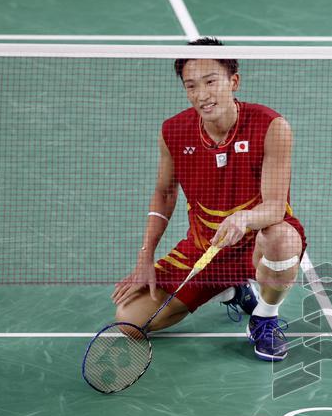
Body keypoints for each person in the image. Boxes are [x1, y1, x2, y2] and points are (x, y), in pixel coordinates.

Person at [111, 37, 306, 361]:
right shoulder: (174, 131)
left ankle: (264, 317)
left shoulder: (271, 126)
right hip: (206, 246)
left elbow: (274, 207)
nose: (201, 94)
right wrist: (146, 257)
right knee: (129, 321)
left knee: (283, 239)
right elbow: (165, 192)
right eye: (191, 86)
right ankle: (230, 289)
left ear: (234, 81)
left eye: (210, 81)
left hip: (256, 242)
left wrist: (245, 218)